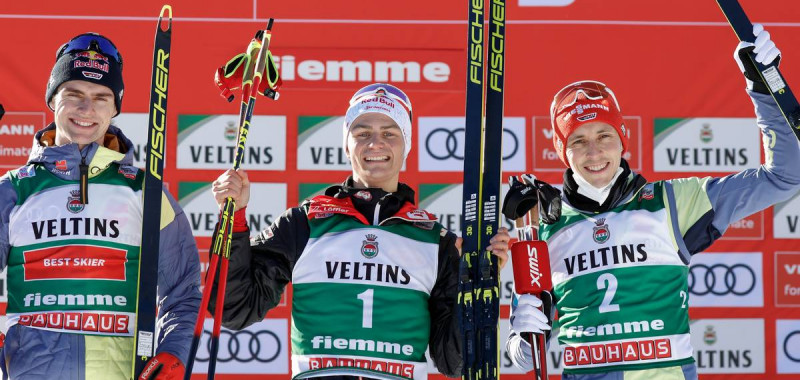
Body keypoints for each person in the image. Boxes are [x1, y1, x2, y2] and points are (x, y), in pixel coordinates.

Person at [502, 24, 799, 379]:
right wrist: (523, 336)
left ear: (622, 138)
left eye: (604, 135)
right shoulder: (543, 227)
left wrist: (766, 86)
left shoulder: (672, 202)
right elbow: (522, 358)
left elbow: (784, 176)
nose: (594, 151)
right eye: (578, 141)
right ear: (563, 152)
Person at [208, 83, 511, 379]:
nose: (375, 144)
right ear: (347, 144)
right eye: (362, 133)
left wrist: (480, 284)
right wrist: (232, 219)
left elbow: (454, 362)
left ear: (406, 144)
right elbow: (234, 308)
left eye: (389, 134)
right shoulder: (304, 222)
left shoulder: (436, 241)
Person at [0, 33, 201, 379]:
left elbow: (183, 290)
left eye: (100, 98)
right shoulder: (13, 190)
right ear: (53, 99)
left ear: (115, 106)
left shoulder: (146, 192)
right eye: (73, 94)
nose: (86, 109)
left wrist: (173, 352)